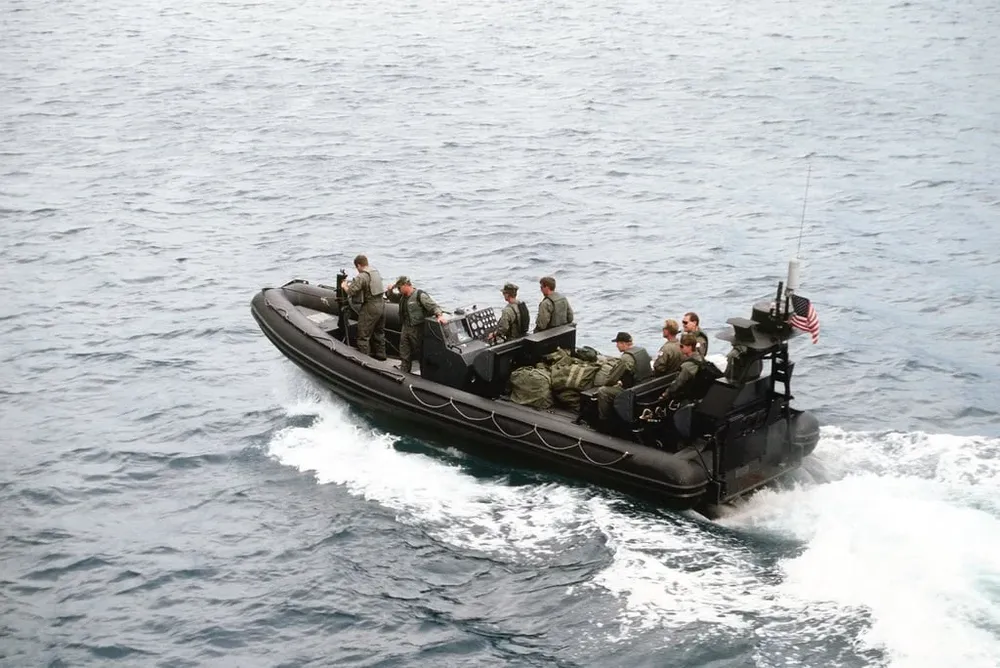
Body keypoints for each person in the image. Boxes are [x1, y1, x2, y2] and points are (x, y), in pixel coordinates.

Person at [387, 276, 446, 373]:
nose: (399, 290)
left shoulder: (419, 295)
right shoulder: (402, 297)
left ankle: (424, 373)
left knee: (420, 353)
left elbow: (433, 306)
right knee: (404, 350)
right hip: (406, 327)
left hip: (417, 329)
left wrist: (439, 315)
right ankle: (405, 371)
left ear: (406, 285)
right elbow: (393, 298)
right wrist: (390, 291)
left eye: (399, 288)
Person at [596, 332, 652, 422]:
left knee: (603, 391)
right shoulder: (641, 350)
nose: (616, 346)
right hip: (645, 386)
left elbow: (612, 379)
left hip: (633, 391)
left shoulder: (626, 358)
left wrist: (606, 384)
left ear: (623, 343)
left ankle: (604, 420)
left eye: (617, 343)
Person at [340, 254, 386, 360]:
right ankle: (381, 355)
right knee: (379, 332)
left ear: (359, 265)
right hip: (382, 305)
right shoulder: (375, 272)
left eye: (357, 268)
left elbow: (351, 291)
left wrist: (345, 286)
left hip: (371, 306)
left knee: (363, 335)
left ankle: (365, 361)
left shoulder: (362, 276)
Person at [656, 333, 704, 406]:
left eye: (682, 346)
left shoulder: (687, 366)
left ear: (690, 347)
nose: (680, 348)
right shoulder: (700, 358)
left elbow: (678, 384)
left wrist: (665, 394)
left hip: (689, 397)